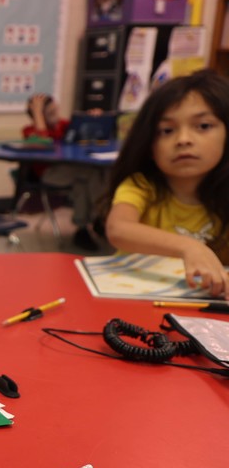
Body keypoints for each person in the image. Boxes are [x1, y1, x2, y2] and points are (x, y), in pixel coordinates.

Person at [103, 69, 229, 298]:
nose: (183, 140)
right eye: (167, 131)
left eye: (203, 126)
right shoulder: (141, 185)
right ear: (149, 144)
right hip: (133, 295)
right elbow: (118, 229)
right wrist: (189, 246)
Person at [22, 93, 109, 251]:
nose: (55, 116)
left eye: (55, 110)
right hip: (49, 174)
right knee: (89, 173)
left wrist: (94, 119)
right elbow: (44, 143)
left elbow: (87, 134)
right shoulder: (29, 131)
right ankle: (100, 218)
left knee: (85, 182)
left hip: (74, 171)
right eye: (49, 113)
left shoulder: (64, 126)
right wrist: (38, 114)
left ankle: (83, 228)